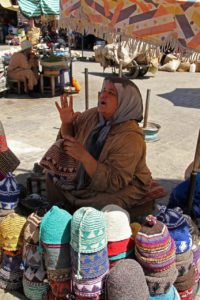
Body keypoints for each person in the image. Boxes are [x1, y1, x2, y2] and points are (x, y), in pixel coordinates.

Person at [44, 76, 152, 213]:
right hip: (86, 176)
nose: (103, 95)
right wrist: (67, 123)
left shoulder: (131, 137)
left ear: (126, 102)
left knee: (105, 204)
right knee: (51, 177)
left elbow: (115, 182)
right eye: (103, 90)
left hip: (126, 185)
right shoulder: (92, 115)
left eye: (111, 93)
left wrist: (84, 157)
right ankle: (62, 214)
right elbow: (68, 141)